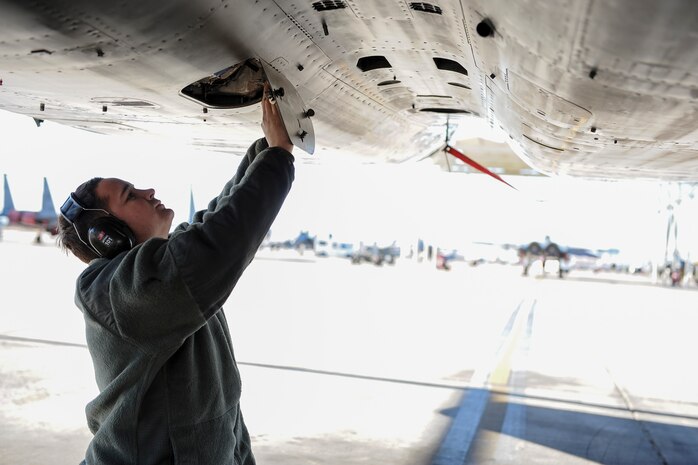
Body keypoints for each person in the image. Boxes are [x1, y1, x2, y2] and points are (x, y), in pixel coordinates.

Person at [57, 84, 294, 465]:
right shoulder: (112, 292)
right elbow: (216, 244)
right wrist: (279, 158)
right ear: (107, 236)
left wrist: (264, 150)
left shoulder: (157, 272)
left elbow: (212, 218)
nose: (149, 190)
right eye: (131, 195)